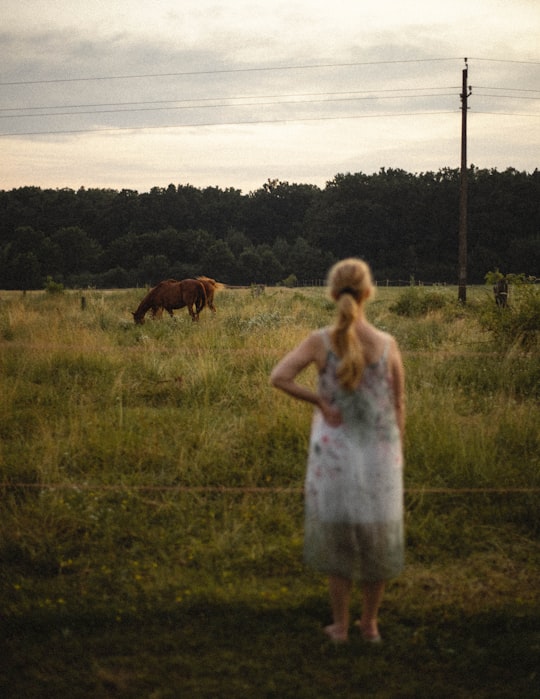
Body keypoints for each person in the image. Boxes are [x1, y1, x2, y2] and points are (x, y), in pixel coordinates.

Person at [270, 258, 405, 643]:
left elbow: (278, 377)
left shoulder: (319, 342)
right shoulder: (388, 344)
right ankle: (371, 625)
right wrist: (399, 452)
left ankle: (341, 626)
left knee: (341, 538)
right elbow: (398, 405)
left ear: (333, 294)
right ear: (368, 293)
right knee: (376, 536)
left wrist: (319, 401)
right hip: (381, 456)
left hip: (334, 459)